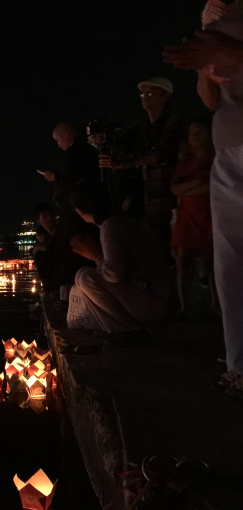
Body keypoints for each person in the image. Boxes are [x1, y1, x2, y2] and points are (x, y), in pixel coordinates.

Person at [163, 0, 243, 395]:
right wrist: (203, 70)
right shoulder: (216, 24)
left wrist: (231, 55)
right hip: (229, 155)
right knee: (230, 267)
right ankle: (238, 366)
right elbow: (212, 102)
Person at [66, 178, 170, 334]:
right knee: (84, 276)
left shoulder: (111, 227)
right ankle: (119, 327)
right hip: (157, 299)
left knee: (84, 276)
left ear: (80, 211)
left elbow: (114, 274)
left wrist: (95, 255)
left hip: (153, 303)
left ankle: (125, 329)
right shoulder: (121, 221)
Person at [99, 78, 182, 258]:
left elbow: (160, 153)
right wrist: (103, 142)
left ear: (165, 96)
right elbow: (123, 145)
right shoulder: (141, 124)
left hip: (164, 190)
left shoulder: (173, 121)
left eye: (151, 93)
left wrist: (122, 164)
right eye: (143, 94)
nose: (145, 97)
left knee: (159, 241)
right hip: (139, 193)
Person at [38, 122, 99, 289]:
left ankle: (69, 289)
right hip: (91, 206)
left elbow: (68, 181)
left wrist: (54, 177)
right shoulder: (89, 150)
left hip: (76, 210)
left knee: (71, 250)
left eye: (58, 140)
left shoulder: (74, 151)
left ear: (66, 135)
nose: (58, 145)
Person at [171, 117, 219, 317]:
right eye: (192, 134)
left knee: (211, 261)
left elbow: (213, 185)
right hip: (187, 217)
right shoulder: (185, 164)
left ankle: (217, 304)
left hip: (208, 215)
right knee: (183, 260)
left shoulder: (216, 159)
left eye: (199, 133)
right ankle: (184, 306)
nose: (195, 138)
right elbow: (174, 188)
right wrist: (198, 183)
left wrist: (191, 186)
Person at [31, 204, 57, 291]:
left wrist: (44, 248)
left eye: (50, 213)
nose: (50, 217)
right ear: (38, 221)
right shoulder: (48, 240)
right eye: (45, 215)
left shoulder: (63, 236)